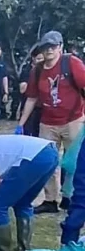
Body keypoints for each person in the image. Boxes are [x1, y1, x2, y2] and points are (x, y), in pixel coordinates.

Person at [18, 30, 85, 215]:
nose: (49, 50)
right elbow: (31, 98)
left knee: (74, 162)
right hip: (48, 122)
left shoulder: (71, 63)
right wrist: (21, 123)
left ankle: (71, 198)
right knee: (48, 162)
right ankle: (50, 200)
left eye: (53, 46)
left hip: (74, 120)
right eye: (45, 47)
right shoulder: (37, 70)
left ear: (60, 47)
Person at [15, 47, 44, 133]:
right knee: (27, 131)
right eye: (38, 59)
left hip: (41, 108)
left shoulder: (45, 70)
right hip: (28, 106)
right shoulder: (27, 71)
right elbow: (22, 89)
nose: (41, 61)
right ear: (33, 58)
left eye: (42, 59)